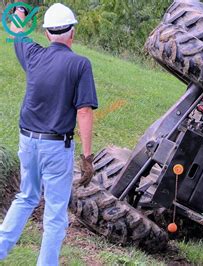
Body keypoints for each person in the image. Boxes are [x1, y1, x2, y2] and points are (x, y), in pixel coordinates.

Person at [0, 3, 98, 265]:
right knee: (55, 213)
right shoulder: (80, 64)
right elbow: (85, 112)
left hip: (28, 142)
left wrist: (19, 10)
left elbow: (17, 31)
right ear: (72, 33)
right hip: (56, 148)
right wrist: (87, 158)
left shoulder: (33, 55)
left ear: (46, 34)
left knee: (26, 197)